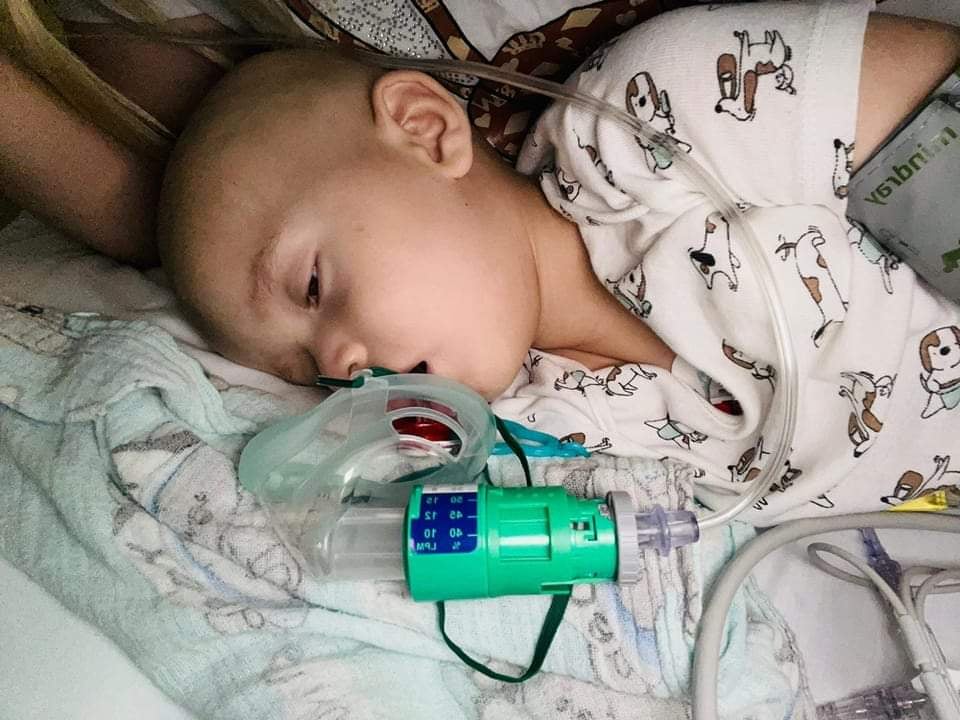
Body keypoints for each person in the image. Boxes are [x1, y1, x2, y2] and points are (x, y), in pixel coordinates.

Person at [35, 1, 960, 522]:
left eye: (312, 287)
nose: (338, 365)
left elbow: (930, 103)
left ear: (426, 130)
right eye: (303, 370)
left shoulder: (655, 121)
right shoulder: (543, 433)